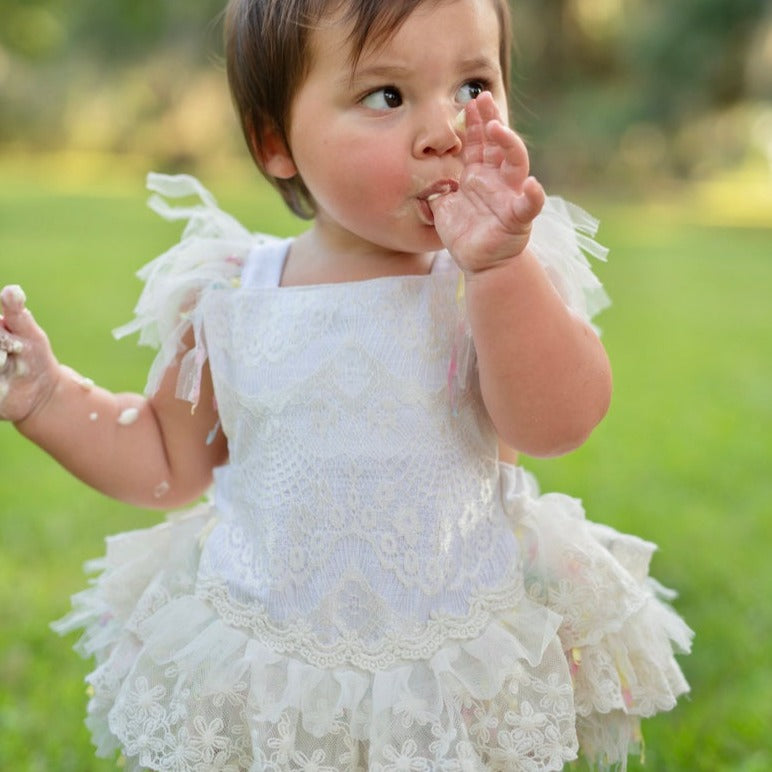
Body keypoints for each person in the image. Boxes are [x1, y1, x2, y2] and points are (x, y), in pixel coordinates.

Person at [0, 0, 692, 769]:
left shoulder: (490, 279)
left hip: (450, 647)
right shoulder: (234, 292)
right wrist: (48, 399)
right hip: (280, 652)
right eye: (387, 97)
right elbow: (168, 459)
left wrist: (498, 270)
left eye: (471, 86)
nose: (445, 131)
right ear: (275, 143)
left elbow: (557, 421)